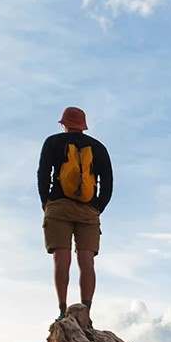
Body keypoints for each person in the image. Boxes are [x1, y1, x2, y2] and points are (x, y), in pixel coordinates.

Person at [38, 106, 114, 315]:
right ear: (83, 125)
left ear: (64, 124)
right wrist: (97, 207)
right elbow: (107, 182)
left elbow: (43, 174)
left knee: (62, 259)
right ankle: (85, 312)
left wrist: (47, 202)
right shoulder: (98, 148)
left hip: (58, 206)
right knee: (86, 261)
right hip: (88, 210)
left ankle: (63, 310)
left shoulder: (52, 142)